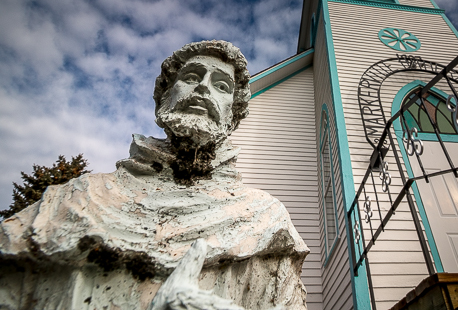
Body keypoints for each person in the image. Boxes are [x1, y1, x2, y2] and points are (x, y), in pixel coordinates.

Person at [0, 40, 309, 310]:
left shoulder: (264, 220)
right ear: (164, 98)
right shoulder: (75, 199)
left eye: (221, 86)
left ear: (232, 116)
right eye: (191, 77)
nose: (203, 87)